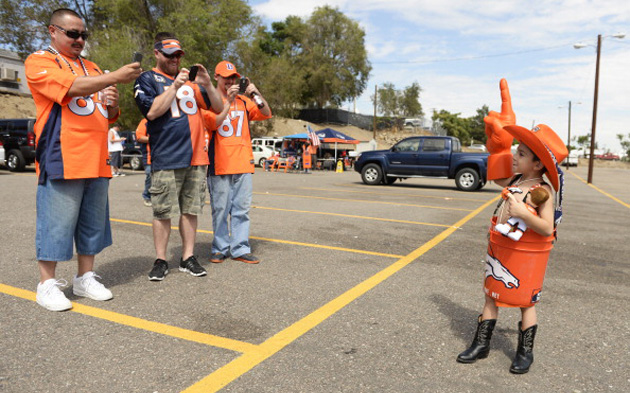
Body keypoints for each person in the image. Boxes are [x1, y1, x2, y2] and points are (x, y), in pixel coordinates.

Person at [25, 8, 142, 311]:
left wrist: (114, 105)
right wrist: (114, 77)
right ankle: (46, 284)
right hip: (63, 156)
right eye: (72, 33)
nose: (79, 39)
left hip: (97, 157)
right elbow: (71, 88)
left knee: (92, 224)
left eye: (83, 34)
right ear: (53, 31)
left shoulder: (92, 66)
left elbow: (106, 113)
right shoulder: (40, 61)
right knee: (56, 224)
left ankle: (84, 276)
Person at [456, 79, 567, 374]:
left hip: (528, 256)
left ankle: (524, 352)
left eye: (519, 154)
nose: (514, 159)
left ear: (538, 164)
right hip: (502, 248)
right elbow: (496, 176)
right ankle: (481, 344)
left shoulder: (543, 191)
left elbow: (546, 228)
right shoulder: (517, 180)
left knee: (526, 303)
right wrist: (499, 146)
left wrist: (523, 212)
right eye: (515, 152)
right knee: (491, 294)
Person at [134, 33, 223, 281]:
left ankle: (187, 257)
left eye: (178, 55)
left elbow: (217, 107)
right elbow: (151, 112)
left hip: (196, 157)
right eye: (170, 54)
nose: (175, 58)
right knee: (162, 212)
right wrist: (174, 86)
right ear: (157, 53)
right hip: (166, 156)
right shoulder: (147, 78)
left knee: (190, 210)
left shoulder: (192, 84)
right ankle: (161, 259)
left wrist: (207, 83)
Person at [202, 61, 272, 264]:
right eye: (226, 78)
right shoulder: (209, 100)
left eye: (233, 78)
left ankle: (240, 247)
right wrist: (227, 100)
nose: (230, 81)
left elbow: (266, 112)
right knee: (220, 209)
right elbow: (212, 124)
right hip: (220, 163)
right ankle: (220, 247)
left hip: (243, 162)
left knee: (242, 209)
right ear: (217, 78)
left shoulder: (243, 101)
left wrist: (254, 92)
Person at [135, 118, 151, 206]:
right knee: (150, 176)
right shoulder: (145, 121)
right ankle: (147, 196)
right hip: (150, 156)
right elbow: (140, 137)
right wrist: (156, 139)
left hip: (164, 156)